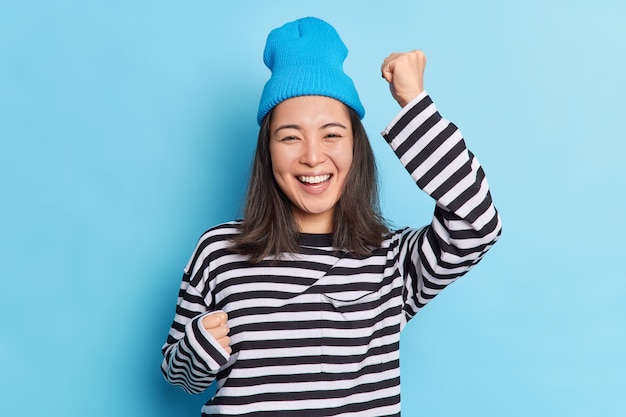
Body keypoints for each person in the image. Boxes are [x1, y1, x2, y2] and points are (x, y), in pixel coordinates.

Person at [161, 16, 502, 417]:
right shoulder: (218, 251)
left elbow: (477, 223)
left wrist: (415, 105)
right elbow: (180, 377)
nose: (312, 156)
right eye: (290, 136)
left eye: (332, 134)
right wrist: (197, 346)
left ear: (356, 147)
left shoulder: (392, 259)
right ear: (267, 151)